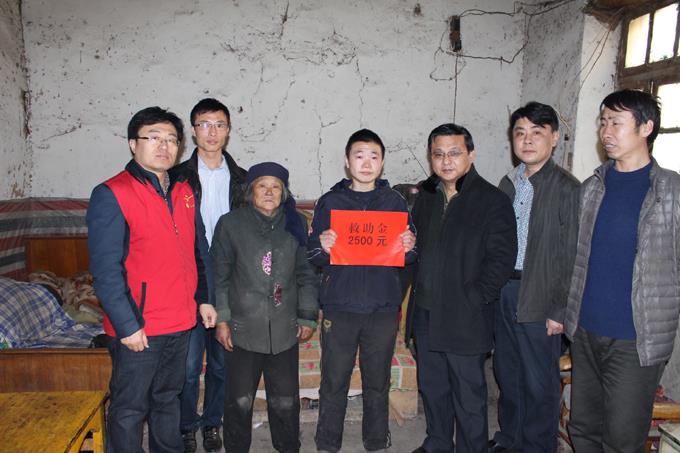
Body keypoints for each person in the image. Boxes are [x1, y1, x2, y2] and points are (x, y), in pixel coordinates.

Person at [87, 106, 217, 453]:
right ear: (133, 143)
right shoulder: (113, 193)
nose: (164, 146)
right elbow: (106, 270)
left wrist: (204, 298)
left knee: (167, 399)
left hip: (180, 321)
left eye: (171, 140)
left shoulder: (184, 191)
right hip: (139, 327)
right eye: (154, 137)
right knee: (130, 408)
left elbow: (199, 251)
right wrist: (127, 325)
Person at [564, 89, 680, 452]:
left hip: (636, 339)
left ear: (646, 127)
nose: (606, 132)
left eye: (616, 122)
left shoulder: (672, 191)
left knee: (622, 436)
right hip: (585, 331)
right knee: (583, 427)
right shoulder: (591, 188)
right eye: (603, 122)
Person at [404, 123, 517, 453]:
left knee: (468, 394)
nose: (446, 161)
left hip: (465, 314)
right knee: (433, 386)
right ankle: (438, 442)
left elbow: (501, 259)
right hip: (426, 311)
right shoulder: (426, 196)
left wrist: (475, 298)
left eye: (454, 153)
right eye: (438, 154)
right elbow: (418, 246)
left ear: (471, 154)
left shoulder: (492, 200)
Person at [308, 129, 417, 453]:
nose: (366, 163)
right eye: (359, 156)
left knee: (377, 381)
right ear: (347, 161)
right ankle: (327, 442)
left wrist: (409, 245)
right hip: (340, 307)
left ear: (381, 163)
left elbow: (412, 254)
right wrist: (323, 245)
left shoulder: (395, 202)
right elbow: (312, 254)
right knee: (334, 380)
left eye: (373, 156)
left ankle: (376, 440)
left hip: (382, 309)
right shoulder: (330, 202)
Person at [490, 103, 580, 453]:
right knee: (508, 373)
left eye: (537, 133)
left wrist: (560, 309)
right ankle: (509, 439)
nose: (527, 140)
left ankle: (537, 447)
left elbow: (572, 254)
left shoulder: (567, 188)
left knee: (539, 382)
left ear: (554, 138)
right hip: (506, 290)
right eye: (520, 133)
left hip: (542, 295)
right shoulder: (507, 183)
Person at [212, 162, 319, 453]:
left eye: (276, 187)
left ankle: (288, 447)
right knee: (239, 400)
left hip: (284, 329)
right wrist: (222, 319)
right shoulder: (231, 224)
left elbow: (307, 274)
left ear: (284, 193)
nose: (269, 192)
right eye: (262, 186)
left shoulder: (296, 223)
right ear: (251, 191)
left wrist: (307, 316)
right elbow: (220, 277)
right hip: (243, 328)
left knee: (286, 400)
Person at [172, 97, 247, 453]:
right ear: (193, 131)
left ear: (228, 131)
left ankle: (212, 423)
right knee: (188, 366)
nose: (212, 132)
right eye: (204, 124)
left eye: (219, 125)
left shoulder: (244, 180)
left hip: (229, 281)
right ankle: (186, 426)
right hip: (188, 278)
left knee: (220, 363)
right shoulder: (176, 178)